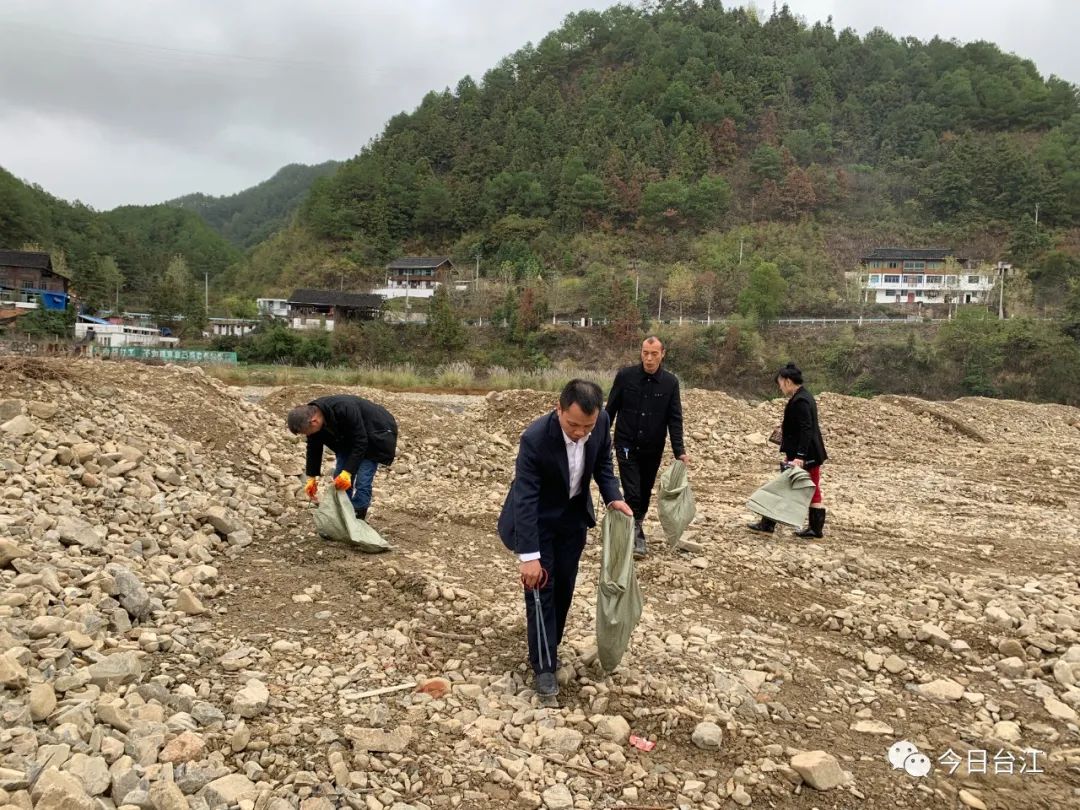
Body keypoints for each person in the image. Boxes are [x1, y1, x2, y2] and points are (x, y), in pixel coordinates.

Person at [497, 379, 633, 697]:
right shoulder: (534, 438)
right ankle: (544, 667)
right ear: (558, 409)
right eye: (573, 425)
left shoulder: (599, 423)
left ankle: (550, 642)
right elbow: (526, 496)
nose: (579, 433)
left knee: (564, 588)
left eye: (586, 426)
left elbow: (602, 463)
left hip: (573, 519)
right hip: (538, 520)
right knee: (542, 589)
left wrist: (613, 496)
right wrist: (528, 556)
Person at [605, 336, 689, 558]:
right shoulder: (625, 377)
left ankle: (636, 522)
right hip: (626, 444)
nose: (649, 358)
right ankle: (635, 533)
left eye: (653, 353)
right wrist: (600, 439)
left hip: (653, 447)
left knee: (644, 489)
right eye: (645, 353)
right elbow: (610, 410)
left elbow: (675, 418)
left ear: (663, 354)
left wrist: (679, 451)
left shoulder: (670, 383)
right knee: (632, 489)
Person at [748, 363, 828, 538]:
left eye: (780, 382)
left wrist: (800, 456)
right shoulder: (803, 397)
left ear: (788, 381)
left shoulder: (801, 401)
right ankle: (813, 528)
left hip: (806, 455)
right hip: (808, 453)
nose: (780, 386)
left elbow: (806, 429)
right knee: (806, 488)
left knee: (784, 486)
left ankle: (769, 524)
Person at [286, 395, 398, 521]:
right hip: (349, 437)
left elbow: (360, 442)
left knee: (363, 480)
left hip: (377, 432)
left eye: (307, 433)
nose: (308, 436)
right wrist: (311, 478)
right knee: (340, 478)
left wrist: (348, 472)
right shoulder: (311, 419)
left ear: (314, 422)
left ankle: (357, 517)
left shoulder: (344, 408)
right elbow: (313, 449)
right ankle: (343, 514)